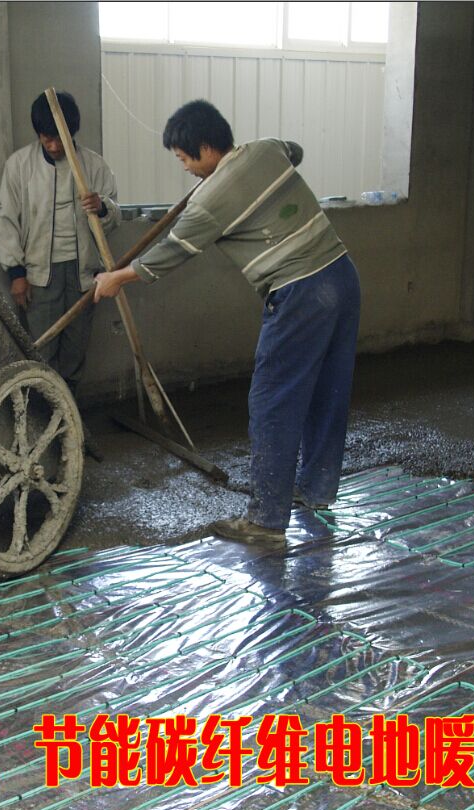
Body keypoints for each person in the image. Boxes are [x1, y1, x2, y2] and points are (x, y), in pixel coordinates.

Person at [94, 100, 361, 551]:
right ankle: (316, 490)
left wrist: (117, 278)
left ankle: (266, 521)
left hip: (299, 292)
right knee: (326, 391)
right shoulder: (267, 149)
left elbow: (170, 253)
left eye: (184, 159)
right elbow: (295, 151)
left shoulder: (208, 202)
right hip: (341, 275)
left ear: (204, 149)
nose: (184, 169)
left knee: (272, 400)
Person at [0, 91, 121, 390]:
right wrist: (16, 274)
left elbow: (115, 217)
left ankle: (70, 411)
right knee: (41, 352)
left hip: (83, 274)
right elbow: (6, 219)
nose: (53, 146)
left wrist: (102, 207)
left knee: (75, 352)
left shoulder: (94, 166)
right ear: (38, 134)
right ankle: (43, 413)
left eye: (59, 139)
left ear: (71, 133)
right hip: (39, 276)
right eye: (46, 139)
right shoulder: (19, 165)